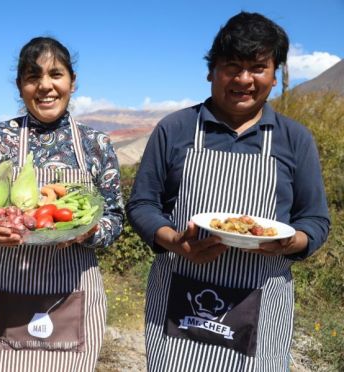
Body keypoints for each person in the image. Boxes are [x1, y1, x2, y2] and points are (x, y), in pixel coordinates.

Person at [126, 11, 330, 371]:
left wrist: (291, 242)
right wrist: (173, 241)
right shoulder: (175, 128)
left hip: (260, 300)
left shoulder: (294, 139)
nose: (244, 79)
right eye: (232, 66)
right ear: (211, 70)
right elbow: (142, 203)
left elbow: (314, 220)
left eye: (257, 67)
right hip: (179, 296)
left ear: (276, 74)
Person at [0, 36, 123, 371]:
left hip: (68, 298)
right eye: (33, 77)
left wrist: (87, 231)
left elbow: (114, 218)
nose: (45, 86)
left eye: (55, 74)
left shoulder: (96, 144)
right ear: (20, 86)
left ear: (72, 82)